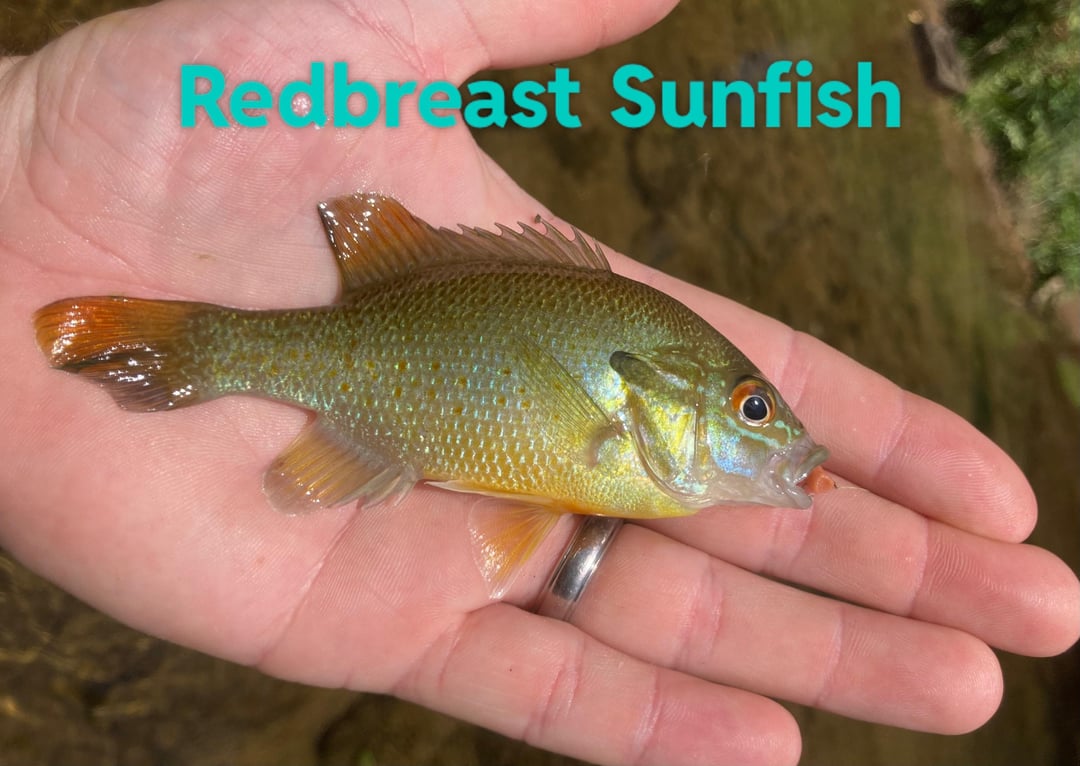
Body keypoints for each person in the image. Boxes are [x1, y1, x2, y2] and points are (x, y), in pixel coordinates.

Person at [0, 1, 1076, 764]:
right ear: (658, 396)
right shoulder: (626, 444)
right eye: (754, 409)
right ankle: (204, 352)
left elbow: (532, 500)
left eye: (762, 412)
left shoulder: (641, 445)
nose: (777, 433)